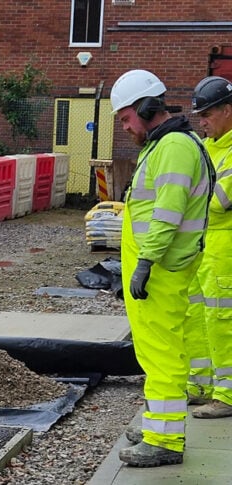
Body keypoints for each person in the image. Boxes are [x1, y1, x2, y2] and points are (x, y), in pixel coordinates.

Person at [110, 69, 214, 467]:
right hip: (161, 269)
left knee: (161, 355)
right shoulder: (168, 145)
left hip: (162, 270)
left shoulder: (173, 147)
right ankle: (159, 425)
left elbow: (166, 215)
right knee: (157, 352)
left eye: (125, 119)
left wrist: (145, 263)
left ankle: (165, 440)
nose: (125, 128)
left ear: (147, 108)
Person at [186, 76, 232, 419]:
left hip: (224, 250)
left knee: (222, 320)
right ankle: (202, 385)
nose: (201, 122)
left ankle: (227, 394)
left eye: (207, 115)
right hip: (204, 246)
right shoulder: (208, 147)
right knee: (196, 316)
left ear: (227, 111)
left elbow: (220, 200)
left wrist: (184, 198)